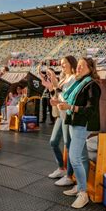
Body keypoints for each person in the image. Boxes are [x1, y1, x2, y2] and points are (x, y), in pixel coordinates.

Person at [57, 57, 101, 209]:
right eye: (79, 66)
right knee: (82, 156)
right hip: (74, 122)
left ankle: (83, 193)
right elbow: (72, 101)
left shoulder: (92, 85)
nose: (79, 68)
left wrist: (71, 107)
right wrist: (61, 105)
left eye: (83, 66)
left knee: (74, 157)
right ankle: (81, 186)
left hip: (83, 124)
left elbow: (90, 110)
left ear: (90, 68)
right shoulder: (79, 83)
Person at [42, 56, 77, 187]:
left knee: (68, 145)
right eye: (61, 63)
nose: (62, 65)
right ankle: (62, 169)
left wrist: (56, 85)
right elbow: (57, 96)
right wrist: (51, 88)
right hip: (60, 115)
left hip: (67, 115)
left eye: (64, 63)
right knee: (53, 142)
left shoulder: (74, 79)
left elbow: (67, 98)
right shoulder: (64, 79)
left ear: (71, 64)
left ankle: (69, 175)